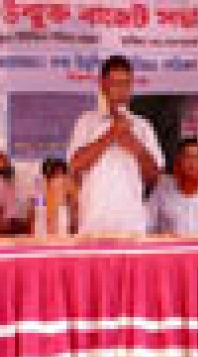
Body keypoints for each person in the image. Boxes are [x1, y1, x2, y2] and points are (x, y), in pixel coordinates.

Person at [68, 55, 164, 234]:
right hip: (93, 224)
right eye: (115, 83)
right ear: (103, 85)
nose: (121, 90)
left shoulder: (143, 126)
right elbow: (75, 165)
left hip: (131, 225)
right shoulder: (86, 122)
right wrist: (111, 134)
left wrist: (136, 147)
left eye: (126, 84)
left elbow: (154, 177)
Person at [41, 157, 78, 234]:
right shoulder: (42, 192)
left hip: (64, 231)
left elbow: (74, 207)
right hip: (49, 232)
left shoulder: (68, 184)